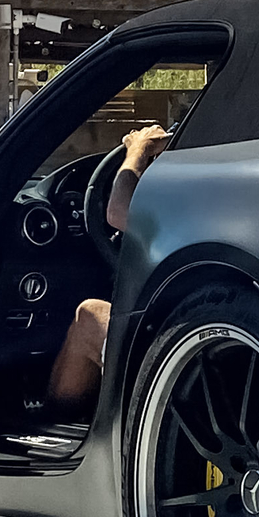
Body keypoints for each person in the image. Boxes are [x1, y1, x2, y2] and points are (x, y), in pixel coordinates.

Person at [44, 123, 171, 410]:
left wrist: (140, 149)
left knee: (88, 316)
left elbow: (118, 212)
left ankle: (58, 420)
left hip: (177, 333)